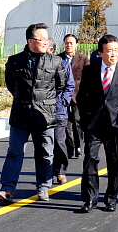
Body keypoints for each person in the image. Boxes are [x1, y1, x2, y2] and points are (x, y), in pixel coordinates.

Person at [0, 23, 66, 202]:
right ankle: (7, 188)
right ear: (30, 41)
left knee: (45, 152)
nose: (45, 42)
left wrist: (43, 100)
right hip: (21, 114)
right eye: (41, 39)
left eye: (47, 39)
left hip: (45, 115)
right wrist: (26, 98)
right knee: (14, 151)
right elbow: (12, 85)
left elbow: (60, 86)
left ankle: (43, 187)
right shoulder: (14, 61)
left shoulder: (56, 61)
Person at [77, 34, 118, 213]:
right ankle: (90, 199)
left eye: (116, 51)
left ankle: (111, 197)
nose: (113, 54)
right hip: (93, 125)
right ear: (100, 52)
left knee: (115, 162)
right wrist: (86, 119)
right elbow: (81, 98)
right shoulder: (90, 71)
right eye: (109, 51)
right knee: (90, 162)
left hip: (115, 125)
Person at [47, 38, 75, 185]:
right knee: (45, 144)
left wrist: (62, 101)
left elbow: (70, 86)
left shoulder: (63, 65)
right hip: (43, 111)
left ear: (51, 50)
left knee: (59, 142)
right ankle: (46, 174)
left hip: (59, 111)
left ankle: (61, 170)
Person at [58, 34, 89, 160]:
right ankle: (69, 147)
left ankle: (78, 146)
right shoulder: (58, 58)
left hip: (78, 94)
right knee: (64, 123)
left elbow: (87, 77)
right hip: (62, 95)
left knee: (77, 121)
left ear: (76, 44)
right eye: (66, 42)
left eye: (71, 43)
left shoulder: (83, 59)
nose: (69, 45)